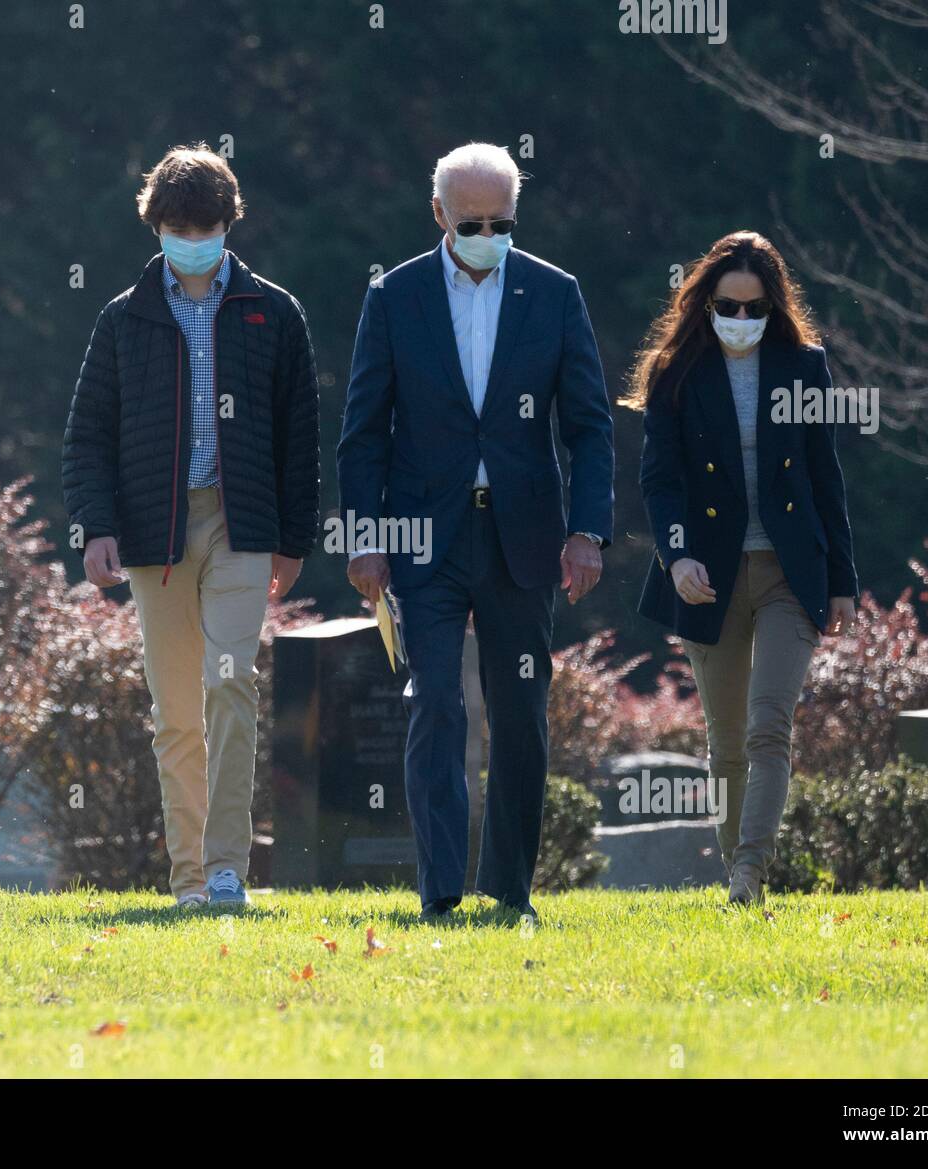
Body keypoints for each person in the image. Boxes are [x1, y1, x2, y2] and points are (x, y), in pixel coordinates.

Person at [337, 143, 615, 921]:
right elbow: (363, 431)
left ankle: (512, 888)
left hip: (524, 539)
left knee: (520, 709)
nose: (488, 233)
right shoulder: (394, 297)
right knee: (434, 704)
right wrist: (366, 537)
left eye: (502, 221)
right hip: (424, 536)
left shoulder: (554, 294)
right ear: (439, 216)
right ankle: (439, 891)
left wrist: (588, 530)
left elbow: (590, 427)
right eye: (472, 221)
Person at [62, 144, 320, 909]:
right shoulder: (123, 319)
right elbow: (88, 435)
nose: (192, 238)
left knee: (230, 688)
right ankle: (186, 881)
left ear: (228, 223)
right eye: (178, 225)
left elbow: (300, 433)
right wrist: (94, 527)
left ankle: (225, 871)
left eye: (205, 225)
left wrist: (294, 539)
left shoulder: (274, 312)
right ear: (157, 227)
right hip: (155, 533)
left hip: (242, 528)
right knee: (176, 711)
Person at [625, 230, 858, 905]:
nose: (742, 320)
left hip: (791, 571)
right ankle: (738, 876)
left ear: (774, 307)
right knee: (726, 740)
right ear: (706, 304)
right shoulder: (676, 372)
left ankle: (749, 872)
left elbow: (825, 476)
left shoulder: (805, 366)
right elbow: (660, 480)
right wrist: (677, 555)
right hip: (709, 573)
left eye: (756, 308)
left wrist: (841, 579)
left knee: (768, 726)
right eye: (730, 306)